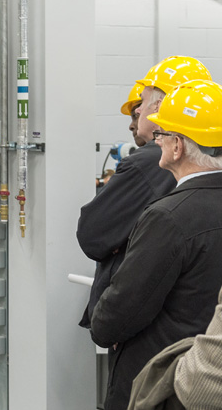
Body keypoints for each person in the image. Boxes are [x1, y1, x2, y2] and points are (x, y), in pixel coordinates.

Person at [91, 78, 222, 410]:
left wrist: (102, 326)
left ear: (178, 145)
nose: (157, 140)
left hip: (165, 400)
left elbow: (124, 306)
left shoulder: (168, 217)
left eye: (163, 133)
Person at [77, 56, 209, 329]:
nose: (135, 117)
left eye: (140, 104)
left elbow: (93, 234)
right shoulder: (206, 166)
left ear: (161, 106)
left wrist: (106, 325)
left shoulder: (149, 163)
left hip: (153, 325)